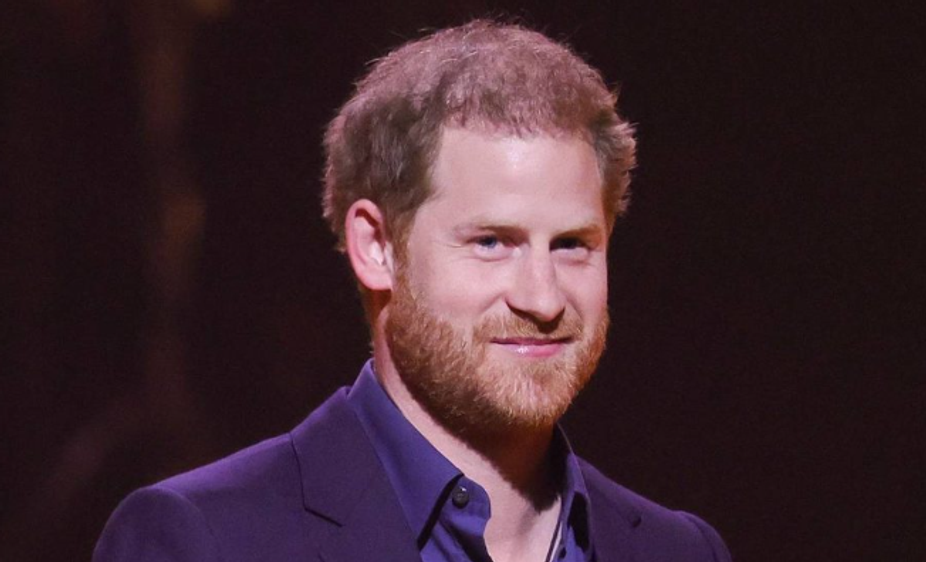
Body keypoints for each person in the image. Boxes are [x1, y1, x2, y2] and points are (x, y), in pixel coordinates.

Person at [94, 20, 731, 562]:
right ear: (377, 248)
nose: (543, 299)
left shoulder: (680, 551)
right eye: (492, 242)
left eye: (571, 244)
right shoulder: (206, 541)